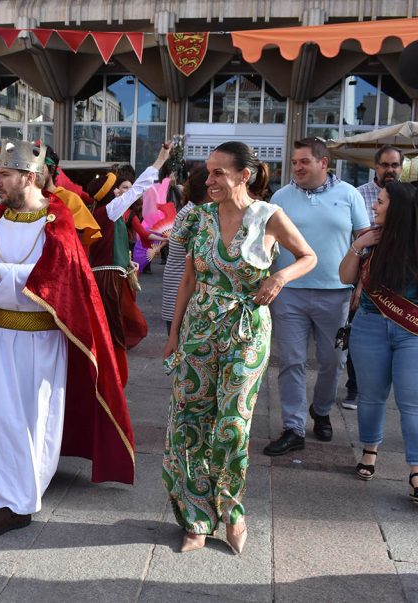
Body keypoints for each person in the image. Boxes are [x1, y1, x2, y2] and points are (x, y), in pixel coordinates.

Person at [0, 138, 135, 539]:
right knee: (2, 415)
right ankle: (9, 489)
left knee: (32, 417)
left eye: (4, 175)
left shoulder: (59, 221)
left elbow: (58, 278)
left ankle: (20, 502)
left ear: (29, 177)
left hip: (39, 338)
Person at [162, 141, 316, 554]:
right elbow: (188, 281)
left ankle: (232, 512)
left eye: (217, 173)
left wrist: (279, 278)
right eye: (208, 172)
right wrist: (174, 333)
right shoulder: (199, 217)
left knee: (232, 423)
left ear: (243, 176)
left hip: (247, 329)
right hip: (200, 327)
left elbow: (308, 257)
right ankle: (196, 517)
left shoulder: (269, 216)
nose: (207, 180)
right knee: (190, 419)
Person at [264, 138, 370, 456]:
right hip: (289, 294)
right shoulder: (280, 197)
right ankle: (293, 427)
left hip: (336, 294)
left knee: (333, 361)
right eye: (295, 162)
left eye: (304, 161)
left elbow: (364, 241)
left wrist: (361, 286)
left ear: (324, 163)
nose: (297, 167)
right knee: (291, 362)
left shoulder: (350, 195)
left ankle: (321, 410)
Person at [339, 181, 418, 501]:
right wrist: (358, 246)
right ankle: (369, 451)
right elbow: (345, 277)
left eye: (381, 202)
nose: (374, 206)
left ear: (397, 209)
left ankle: (415, 469)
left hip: (411, 330)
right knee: (370, 396)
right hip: (369, 326)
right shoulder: (370, 239)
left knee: (411, 402)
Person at [86, 144, 173, 386]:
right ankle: (111, 381)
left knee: (115, 329)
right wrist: (158, 161)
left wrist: (127, 261)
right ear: (108, 195)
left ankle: (109, 379)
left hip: (114, 276)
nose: (120, 194)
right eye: (115, 190)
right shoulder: (107, 213)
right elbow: (137, 190)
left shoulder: (104, 215)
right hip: (108, 281)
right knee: (113, 332)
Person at [342, 145, 405, 410]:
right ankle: (355, 387)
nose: (390, 170)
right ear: (375, 167)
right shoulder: (359, 196)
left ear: (401, 168)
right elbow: (355, 240)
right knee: (359, 335)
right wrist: (357, 285)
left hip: (401, 281)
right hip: (366, 275)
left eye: (395, 165)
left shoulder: (409, 196)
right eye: (384, 165)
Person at [160, 166, 210, 334]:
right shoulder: (195, 215)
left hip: (181, 299)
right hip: (183, 302)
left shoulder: (193, 211)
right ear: (209, 189)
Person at [41, 146, 102, 248]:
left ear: (51, 169)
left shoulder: (69, 199)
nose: (32, 174)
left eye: (39, 168)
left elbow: (78, 242)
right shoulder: (23, 201)